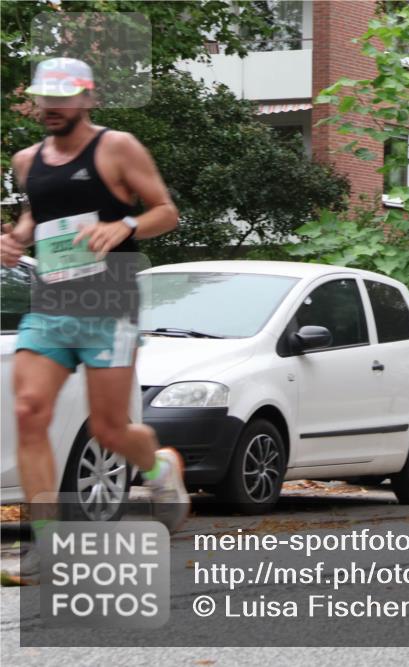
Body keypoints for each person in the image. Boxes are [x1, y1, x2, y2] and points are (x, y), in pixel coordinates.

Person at [0, 58, 188, 585]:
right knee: (28, 410)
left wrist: (122, 224)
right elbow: (39, 214)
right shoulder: (25, 160)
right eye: (44, 98)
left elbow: (165, 211)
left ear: (87, 99)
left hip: (111, 300)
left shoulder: (117, 148)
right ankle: (45, 547)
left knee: (108, 428)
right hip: (53, 302)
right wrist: (16, 239)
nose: (50, 108)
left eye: (62, 98)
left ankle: (158, 468)